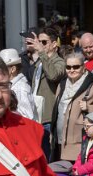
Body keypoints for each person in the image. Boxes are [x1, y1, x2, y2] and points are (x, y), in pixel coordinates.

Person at [51, 52, 93, 163]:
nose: (72, 70)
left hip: (78, 143)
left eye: (76, 67)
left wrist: (89, 108)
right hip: (59, 141)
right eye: (68, 67)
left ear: (83, 68)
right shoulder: (61, 85)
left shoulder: (92, 87)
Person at [31, 28, 65, 156]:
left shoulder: (59, 61)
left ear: (54, 44)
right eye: (38, 42)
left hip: (48, 117)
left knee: (48, 157)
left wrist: (42, 53)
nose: (40, 45)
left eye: (44, 42)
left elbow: (53, 75)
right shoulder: (41, 61)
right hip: (37, 116)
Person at [0, 48, 37, 120]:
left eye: (2, 68)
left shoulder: (20, 88)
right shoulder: (12, 86)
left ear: (12, 69)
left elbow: (27, 117)